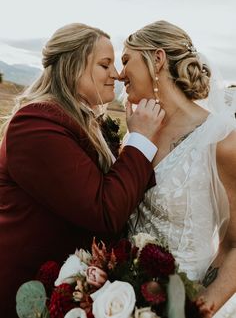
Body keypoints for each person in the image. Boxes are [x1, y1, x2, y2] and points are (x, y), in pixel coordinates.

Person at [0, 23, 165, 318]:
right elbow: (103, 209)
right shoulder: (35, 126)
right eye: (105, 64)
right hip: (27, 294)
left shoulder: (75, 121)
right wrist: (140, 140)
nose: (116, 74)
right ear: (73, 66)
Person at [120, 20, 236, 318]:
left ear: (157, 59)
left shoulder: (222, 139)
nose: (120, 75)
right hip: (124, 297)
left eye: (125, 60)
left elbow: (234, 244)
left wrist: (197, 308)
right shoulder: (136, 132)